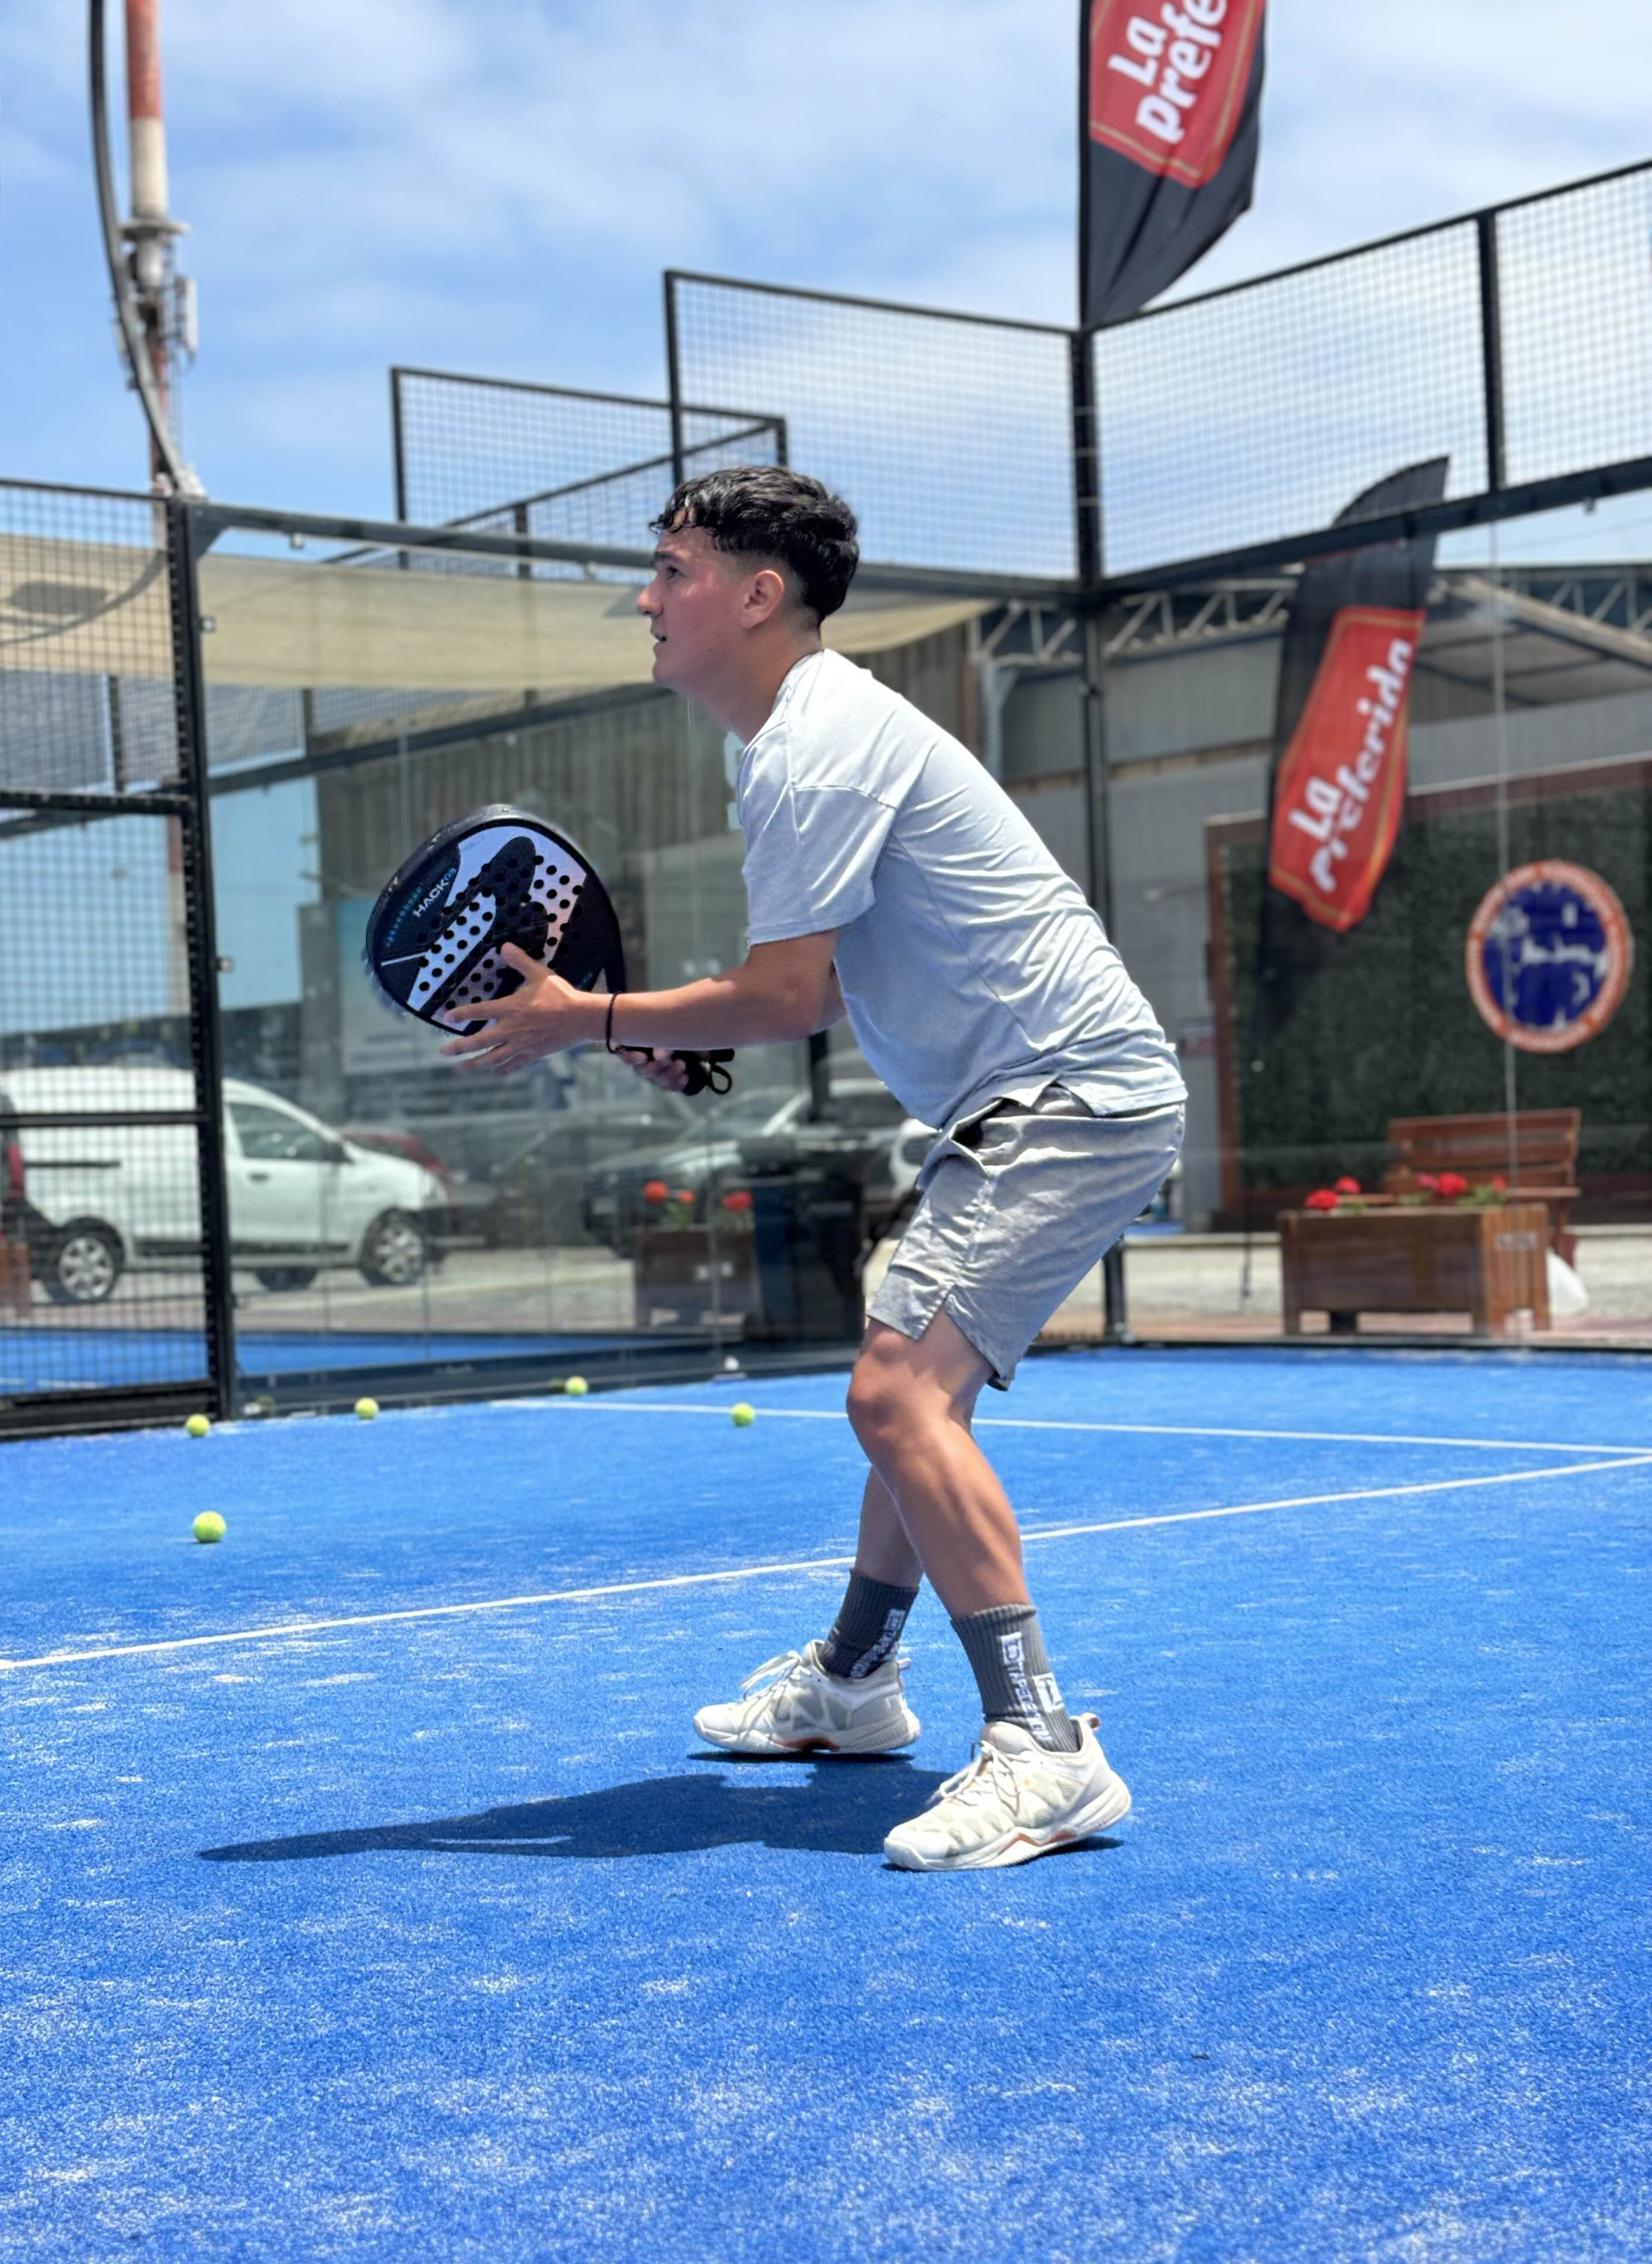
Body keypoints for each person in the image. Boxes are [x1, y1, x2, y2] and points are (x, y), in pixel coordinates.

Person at [444, 465, 1184, 1871]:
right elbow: (831, 981)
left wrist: (583, 1018)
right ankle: (853, 1684)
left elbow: (785, 994)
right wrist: (656, 1033)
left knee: (895, 1396)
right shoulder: (789, 742)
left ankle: (1044, 1749)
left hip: (1068, 1095)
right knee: (909, 1395)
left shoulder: (818, 745)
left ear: (758, 595)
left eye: (672, 570)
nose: (646, 599)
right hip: (1039, 1096)